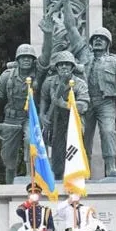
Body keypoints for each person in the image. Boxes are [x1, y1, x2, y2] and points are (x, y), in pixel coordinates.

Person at [0, 17, 53, 184]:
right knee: (8, 155)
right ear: (18, 60)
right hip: (11, 118)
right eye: (23, 57)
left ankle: (31, 178)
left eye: (29, 57)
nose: (26, 60)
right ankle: (10, 182)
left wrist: (48, 35)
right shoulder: (7, 76)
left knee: (31, 141)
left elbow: (47, 55)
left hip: (30, 117)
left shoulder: (38, 72)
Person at [63, 0, 116, 177]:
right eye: (96, 39)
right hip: (85, 102)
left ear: (108, 43)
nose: (98, 41)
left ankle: (111, 167)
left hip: (106, 101)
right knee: (83, 136)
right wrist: (66, 2)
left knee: (108, 131)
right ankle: (83, 170)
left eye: (102, 39)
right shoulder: (84, 54)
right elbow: (71, 28)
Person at [39, 50, 90, 179]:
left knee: (74, 146)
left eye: (67, 64)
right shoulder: (49, 82)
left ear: (72, 67)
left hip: (75, 121)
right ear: (56, 67)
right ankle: (57, 175)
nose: (64, 67)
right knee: (57, 147)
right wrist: (42, 115)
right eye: (61, 65)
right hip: (57, 120)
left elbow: (83, 106)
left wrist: (63, 104)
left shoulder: (80, 84)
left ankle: (76, 176)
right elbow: (44, 98)